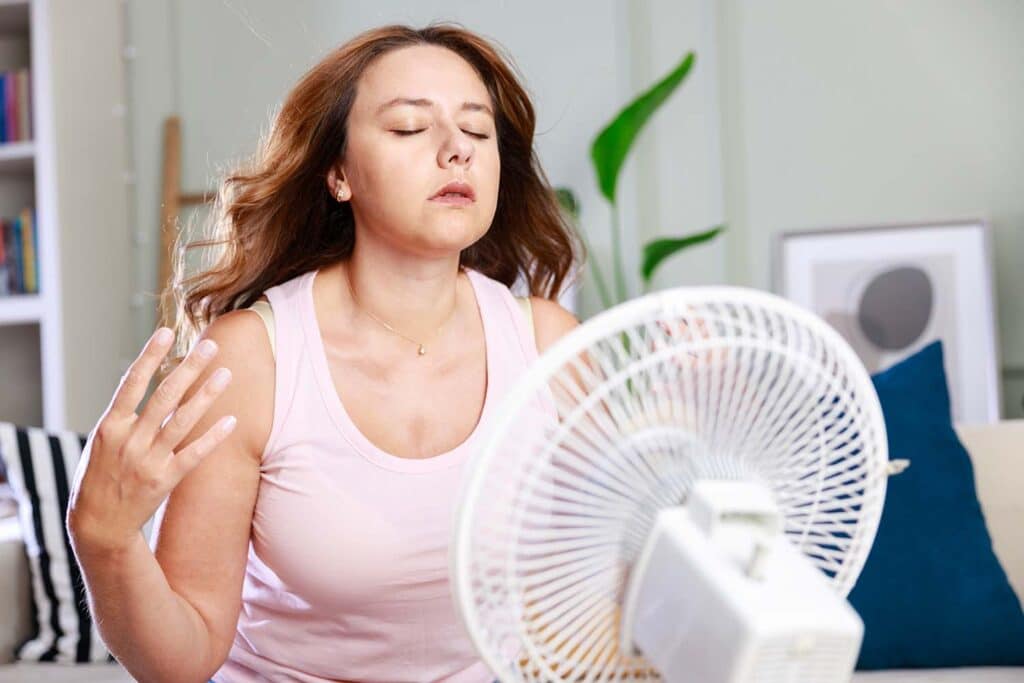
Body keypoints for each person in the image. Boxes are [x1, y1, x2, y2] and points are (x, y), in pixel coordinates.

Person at [65, 23, 582, 683]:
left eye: (477, 132)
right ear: (338, 174)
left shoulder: (550, 345)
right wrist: (106, 542)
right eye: (408, 129)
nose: (457, 151)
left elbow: (601, 595)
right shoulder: (253, 359)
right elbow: (183, 656)